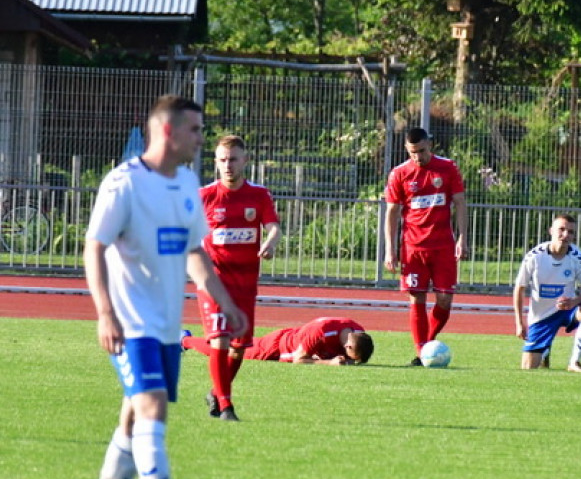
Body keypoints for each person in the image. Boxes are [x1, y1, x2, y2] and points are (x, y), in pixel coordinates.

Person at [79, 95, 247, 479]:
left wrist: (225, 303)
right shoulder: (123, 184)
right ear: (168, 132)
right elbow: (94, 247)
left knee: (133, 420)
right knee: (153, 406)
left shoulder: (186, 183)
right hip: (130, 324)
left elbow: (194, 252)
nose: (201, 139)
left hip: (167, 328)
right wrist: (105, 313)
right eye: (195, 130)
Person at [192, 134, 280, 422]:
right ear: (216, 163)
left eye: (233, 159)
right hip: (214, 281)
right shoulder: (204, 196)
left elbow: (273, 227)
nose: (227, 165)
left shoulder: (259, 195)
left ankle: (216, 393)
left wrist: (270, 242)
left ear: (245, 161)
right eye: (222, 160)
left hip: (245, 283)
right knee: (220, 340)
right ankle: (226, 406)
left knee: (239, 349)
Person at [384, 127, 469, 365]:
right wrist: (389, 249)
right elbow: (392, 212)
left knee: (444, 300)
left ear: (429, 145)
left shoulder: (447, 167)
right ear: (406, 149)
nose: (417, 157)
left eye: (421, 151)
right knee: (417, 298)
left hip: (443, 246)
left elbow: (460, 202)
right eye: (412, 152)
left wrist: (462, 238)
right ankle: (422, 351)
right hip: (412, 248)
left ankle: (427, 344)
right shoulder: (399, 173)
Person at [513, 213, 581, 372]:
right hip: (542, 316)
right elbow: (519, 288)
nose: (566, 235)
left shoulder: (578, 257)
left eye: (570, 232)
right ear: (551, 231)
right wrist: (519, 323)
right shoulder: (534, 256)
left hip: (567, 310)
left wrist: (573, 302)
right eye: (561, 229)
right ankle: (544, 351)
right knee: (528, 368)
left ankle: (574, 362)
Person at [185, 316, 374, 365]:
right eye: (351, 358)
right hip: (280, 346)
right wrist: (328, 363)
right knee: (232, 350)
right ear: (348, 345)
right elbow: (298, 359)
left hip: (294, 336)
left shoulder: (357, 331)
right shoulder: (320, 332)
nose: (350, 361)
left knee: (236, 343)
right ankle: (186, 340)